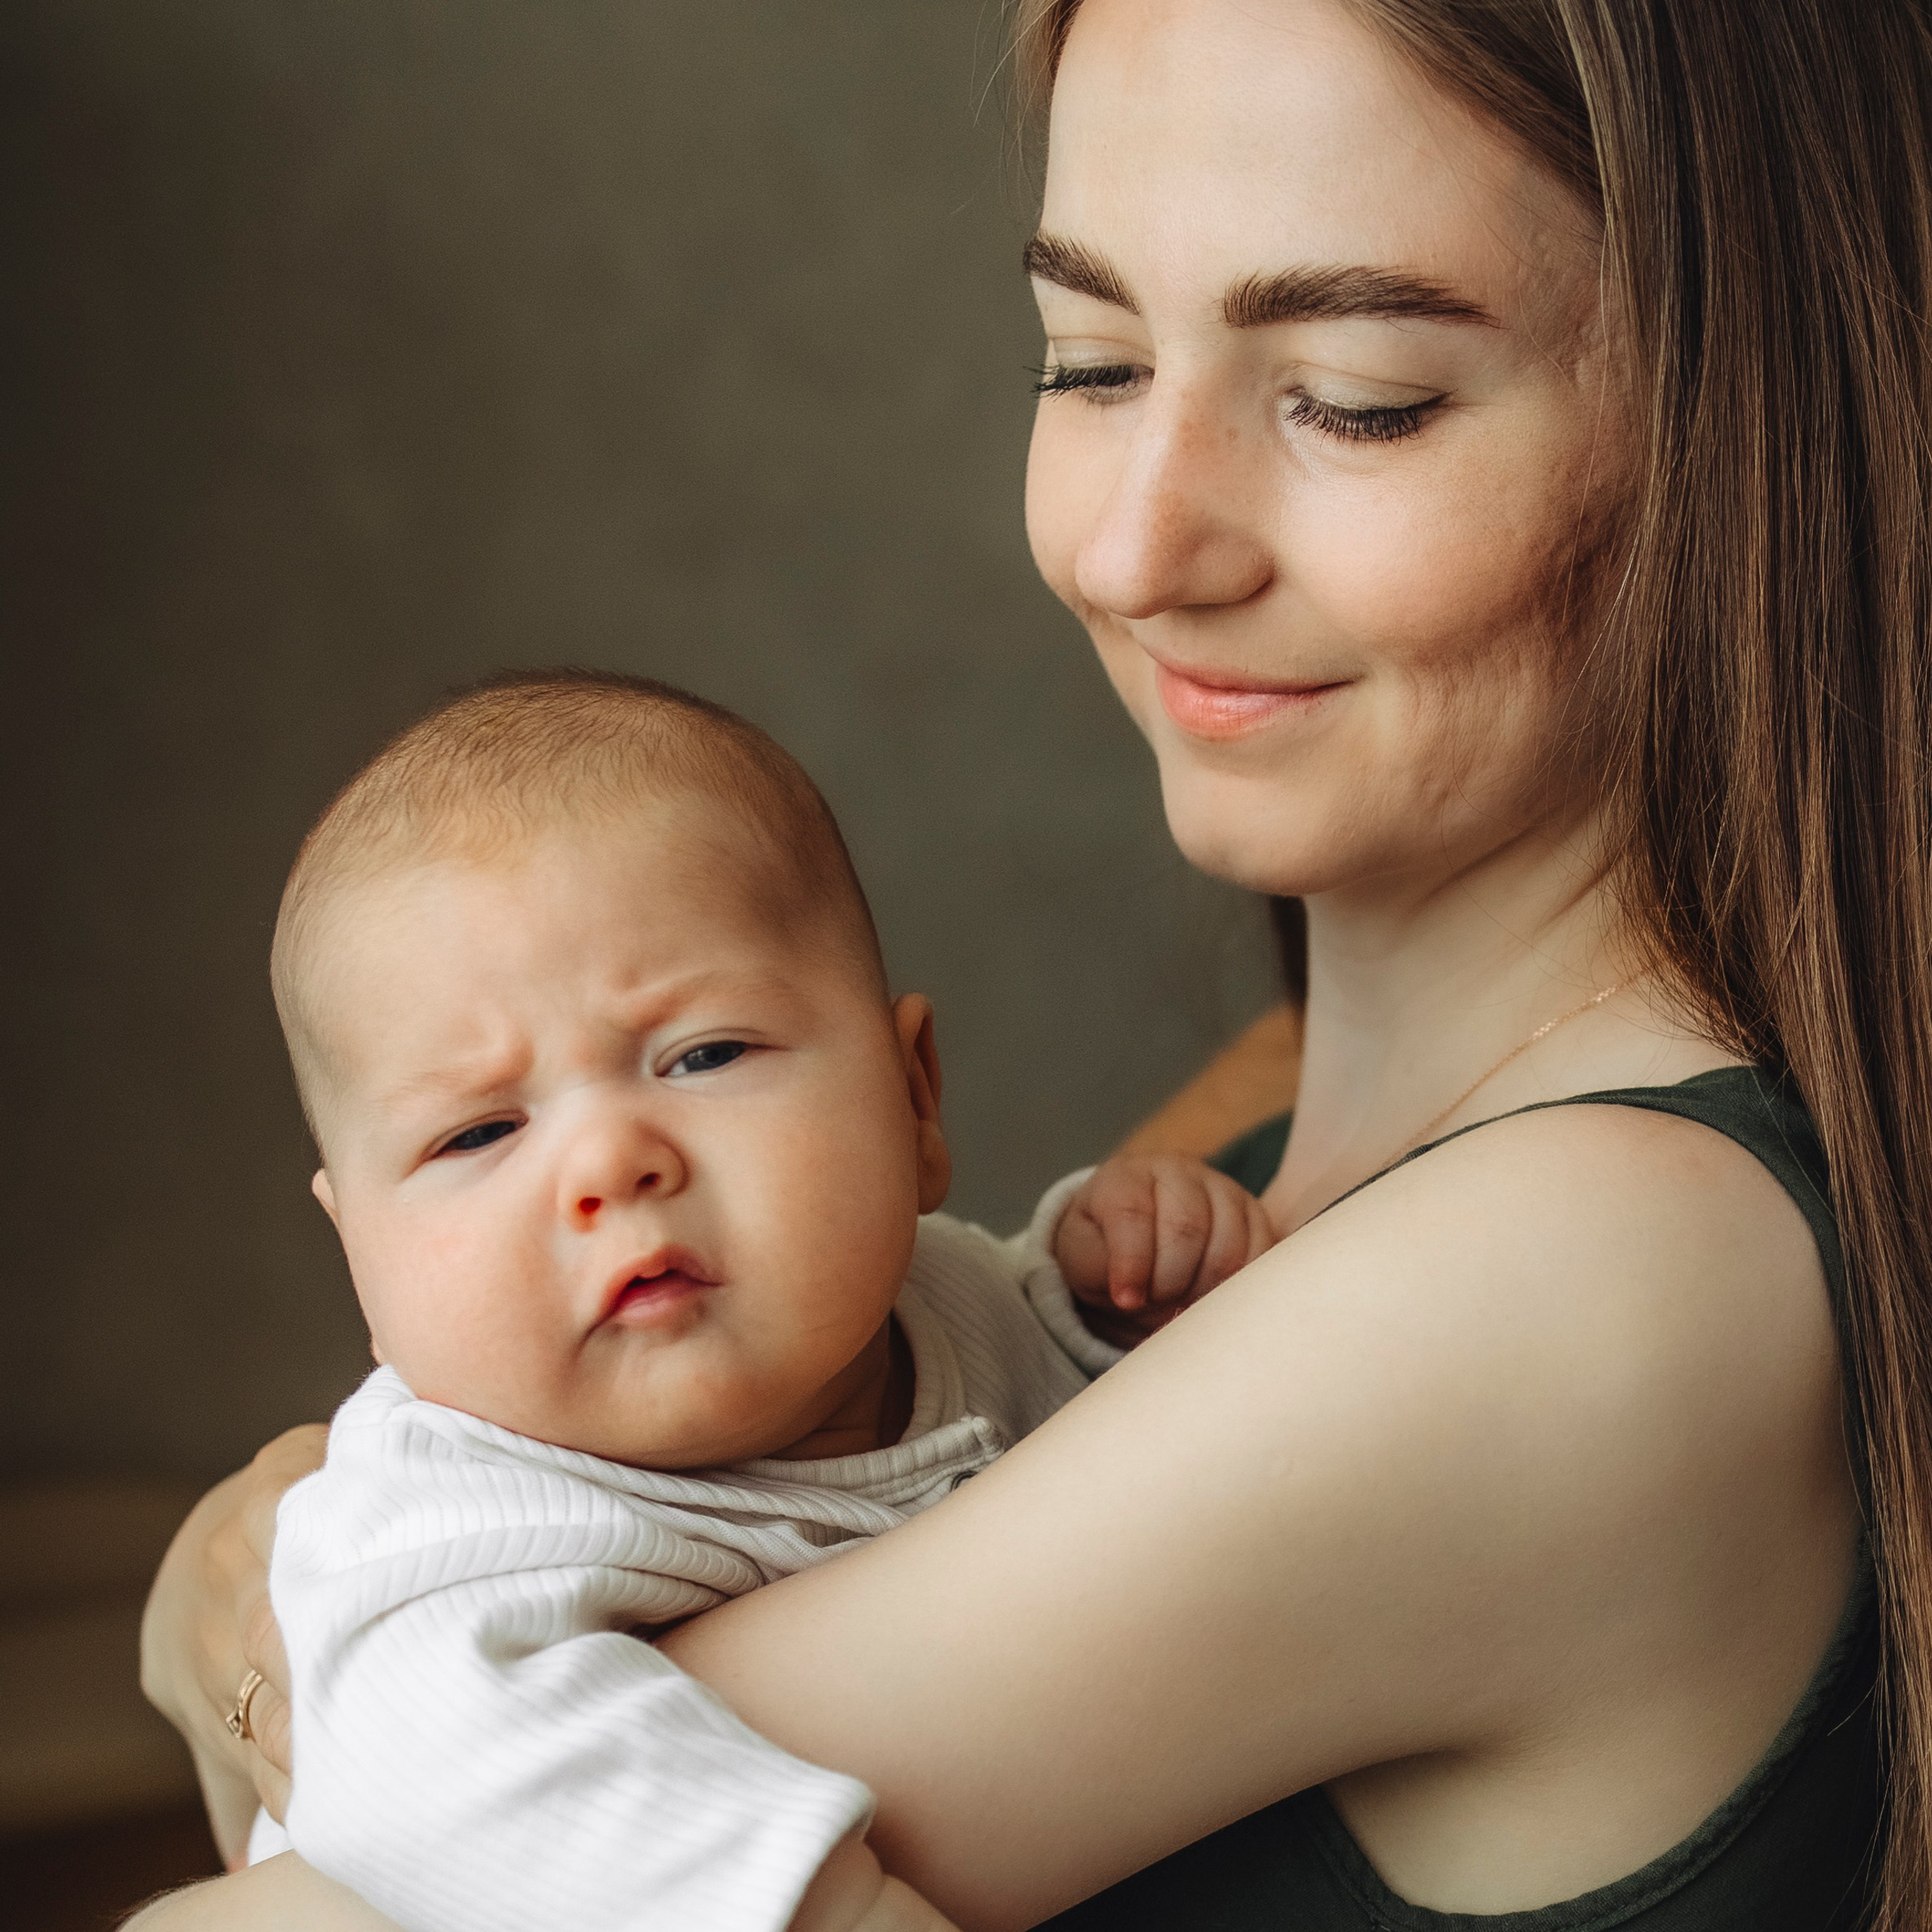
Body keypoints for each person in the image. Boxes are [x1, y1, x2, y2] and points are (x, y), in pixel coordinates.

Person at [136, 0, 1932, 1924]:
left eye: (1353, 396)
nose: (1132, 544)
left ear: (1754, 420)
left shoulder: (1605, 1270)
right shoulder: (1188, 1208)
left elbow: (316, 1897)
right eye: (1082, 360)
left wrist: (256, 1631)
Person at [200, 669, 1272, 1932]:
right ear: (361, 1262)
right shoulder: (434, 1525)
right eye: (480, 1132)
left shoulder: (950, 1300)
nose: (609, 1166)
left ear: (916, 1100)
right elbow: (460, 1783)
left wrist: (1115, 1300)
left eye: (702, 1055)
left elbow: (1058, 1385)